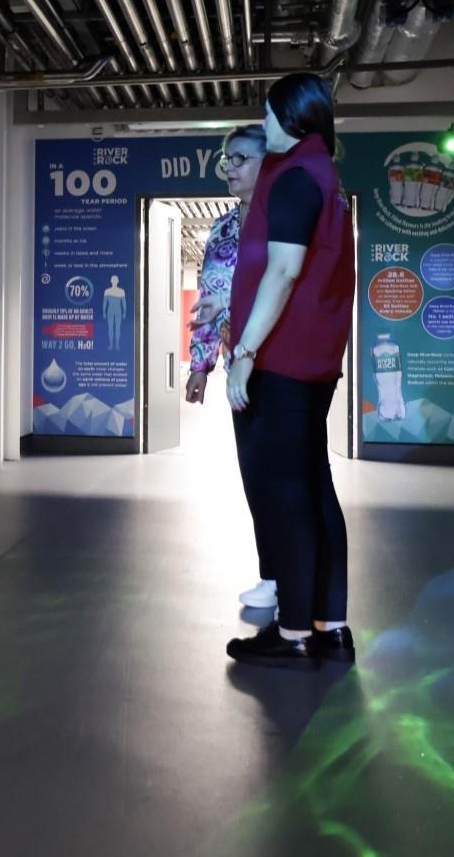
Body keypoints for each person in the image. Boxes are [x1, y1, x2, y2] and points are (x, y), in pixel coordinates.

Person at [223, 72, 356, 671]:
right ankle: (330, 626)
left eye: (271, 113)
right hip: (315, 362)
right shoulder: (324, 176)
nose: (266, 123)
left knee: (285, 494)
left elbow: (282, 273)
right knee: (313, 488)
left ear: (297, 119)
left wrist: (244, 354)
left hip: (284, 361)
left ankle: (295, 631)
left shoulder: (297, 177)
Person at [185, 126, 277, 611]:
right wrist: (201, 364)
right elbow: (208, 301)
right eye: (226, 159)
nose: (229, 167)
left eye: (240, 158)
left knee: (288, 475)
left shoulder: (283, 222)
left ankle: (299, 577)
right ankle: (274, 574)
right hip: (237, 375)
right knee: (254, 472)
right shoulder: (221, 230)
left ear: (267, 164)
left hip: (282, 364)